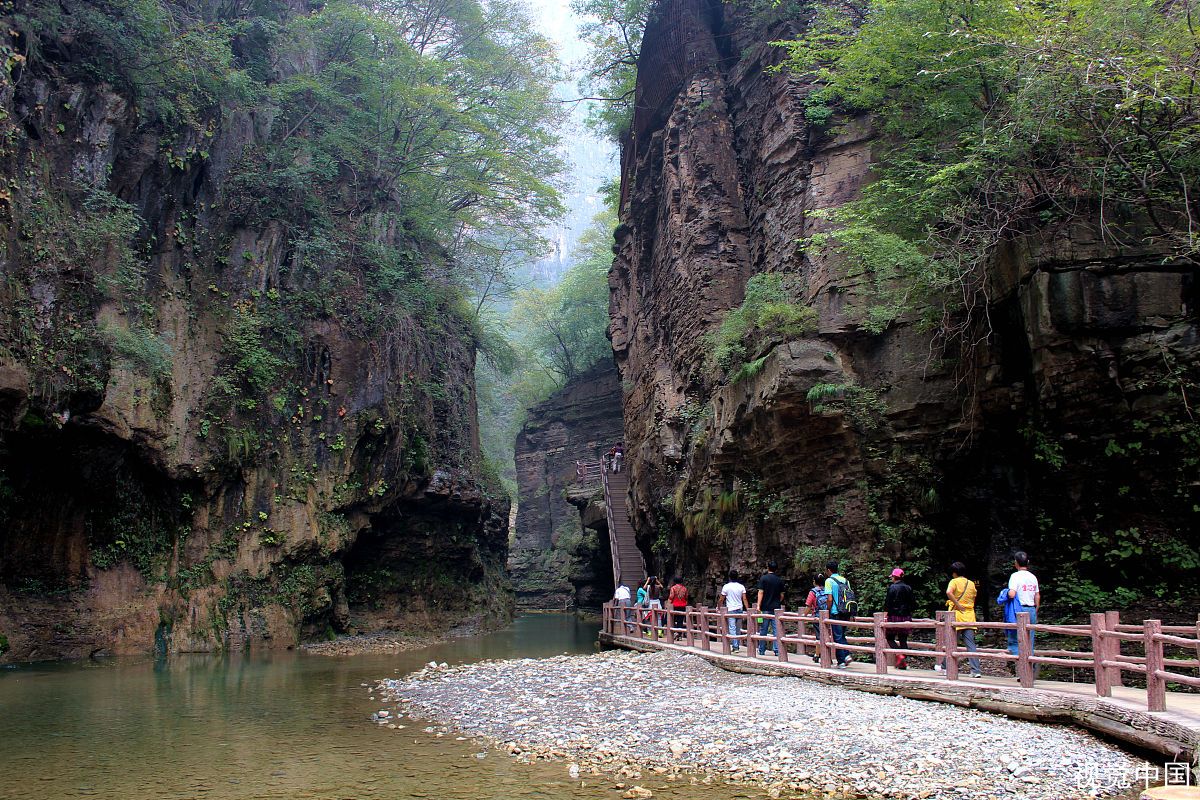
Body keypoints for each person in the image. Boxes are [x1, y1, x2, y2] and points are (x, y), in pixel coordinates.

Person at [936, 561, 982, 678]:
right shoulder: (971, 583)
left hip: (956, 615)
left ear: (954, 572)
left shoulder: (954, 581)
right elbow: (974, 596)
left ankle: (946, 667)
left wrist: (957, 604)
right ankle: (976, 670)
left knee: (951, 642)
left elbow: (948, 592)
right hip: (969, 615)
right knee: (970, 644)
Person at [1006, 551, 1039, 661]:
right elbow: (1037, 595)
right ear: (1028, 562)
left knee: (1015, 640)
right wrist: (1035, 609)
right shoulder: (1033, 577)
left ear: (1016, 563)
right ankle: (1030, 666)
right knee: (1030, 640)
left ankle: (1022, 665)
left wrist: (1005, 594)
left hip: (1019, 610)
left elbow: (1012, 594)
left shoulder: (1015, 576)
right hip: (1031, 608)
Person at [883, 567, 914, 669]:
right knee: (903, 639)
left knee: (889, 638)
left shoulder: (892, 588)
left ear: (894, 577)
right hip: (906, 616)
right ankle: (903, 661)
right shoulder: (908, 588)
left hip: (893, 616)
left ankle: (899, 654)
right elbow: (912, 603)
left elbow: (888, 603)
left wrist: (885, 616)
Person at [825, 561, 853, 668]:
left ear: (828, 570)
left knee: (837, 636)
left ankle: (844, 658)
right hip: (846, 611)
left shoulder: (829, 581)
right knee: (841, 635)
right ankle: (843, 658)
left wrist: (827, 610)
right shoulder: (845, 580)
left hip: (835, 612)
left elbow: (829, 599)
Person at [755, 561, 785, 656]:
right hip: (776, 608)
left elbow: (761, 592)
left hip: (765, 607)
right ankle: (777, 650)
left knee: (764, 629)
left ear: (768, 568)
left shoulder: (764, 578)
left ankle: (761, 649)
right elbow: (782, 595)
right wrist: (777, 602)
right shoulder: (779, 580)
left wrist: (758, 605)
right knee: (776, 630)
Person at [719, 572, 749, 653]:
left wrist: (718, 607)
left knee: (732, 628)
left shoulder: (726, 586)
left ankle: (735, 647)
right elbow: (744, 599)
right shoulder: (741, 586)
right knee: (738, 628)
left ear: (729, 577)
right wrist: (748, 609)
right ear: (737, 577)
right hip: (739, 609)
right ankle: (737, 645)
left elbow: (721, 599)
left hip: (731, 609)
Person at [805, 574, 830, 662]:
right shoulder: (827, 590)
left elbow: (808, 606)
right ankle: (821, 655)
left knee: (819, 636)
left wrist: (804, 616)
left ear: (815, 582)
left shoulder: (813, 592)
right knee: (827, 636)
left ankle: (820, 655)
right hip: (827, 616)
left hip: (817, 616)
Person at [668, 576, 689, 640]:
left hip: (674, 606)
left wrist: (668, 605)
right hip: (682, 606)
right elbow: (686, 597)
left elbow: (671, 597)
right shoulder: (684, 588)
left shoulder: (673, 588)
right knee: (680, 620)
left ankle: (674, 633)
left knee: (673, 620)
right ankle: (679, 634)